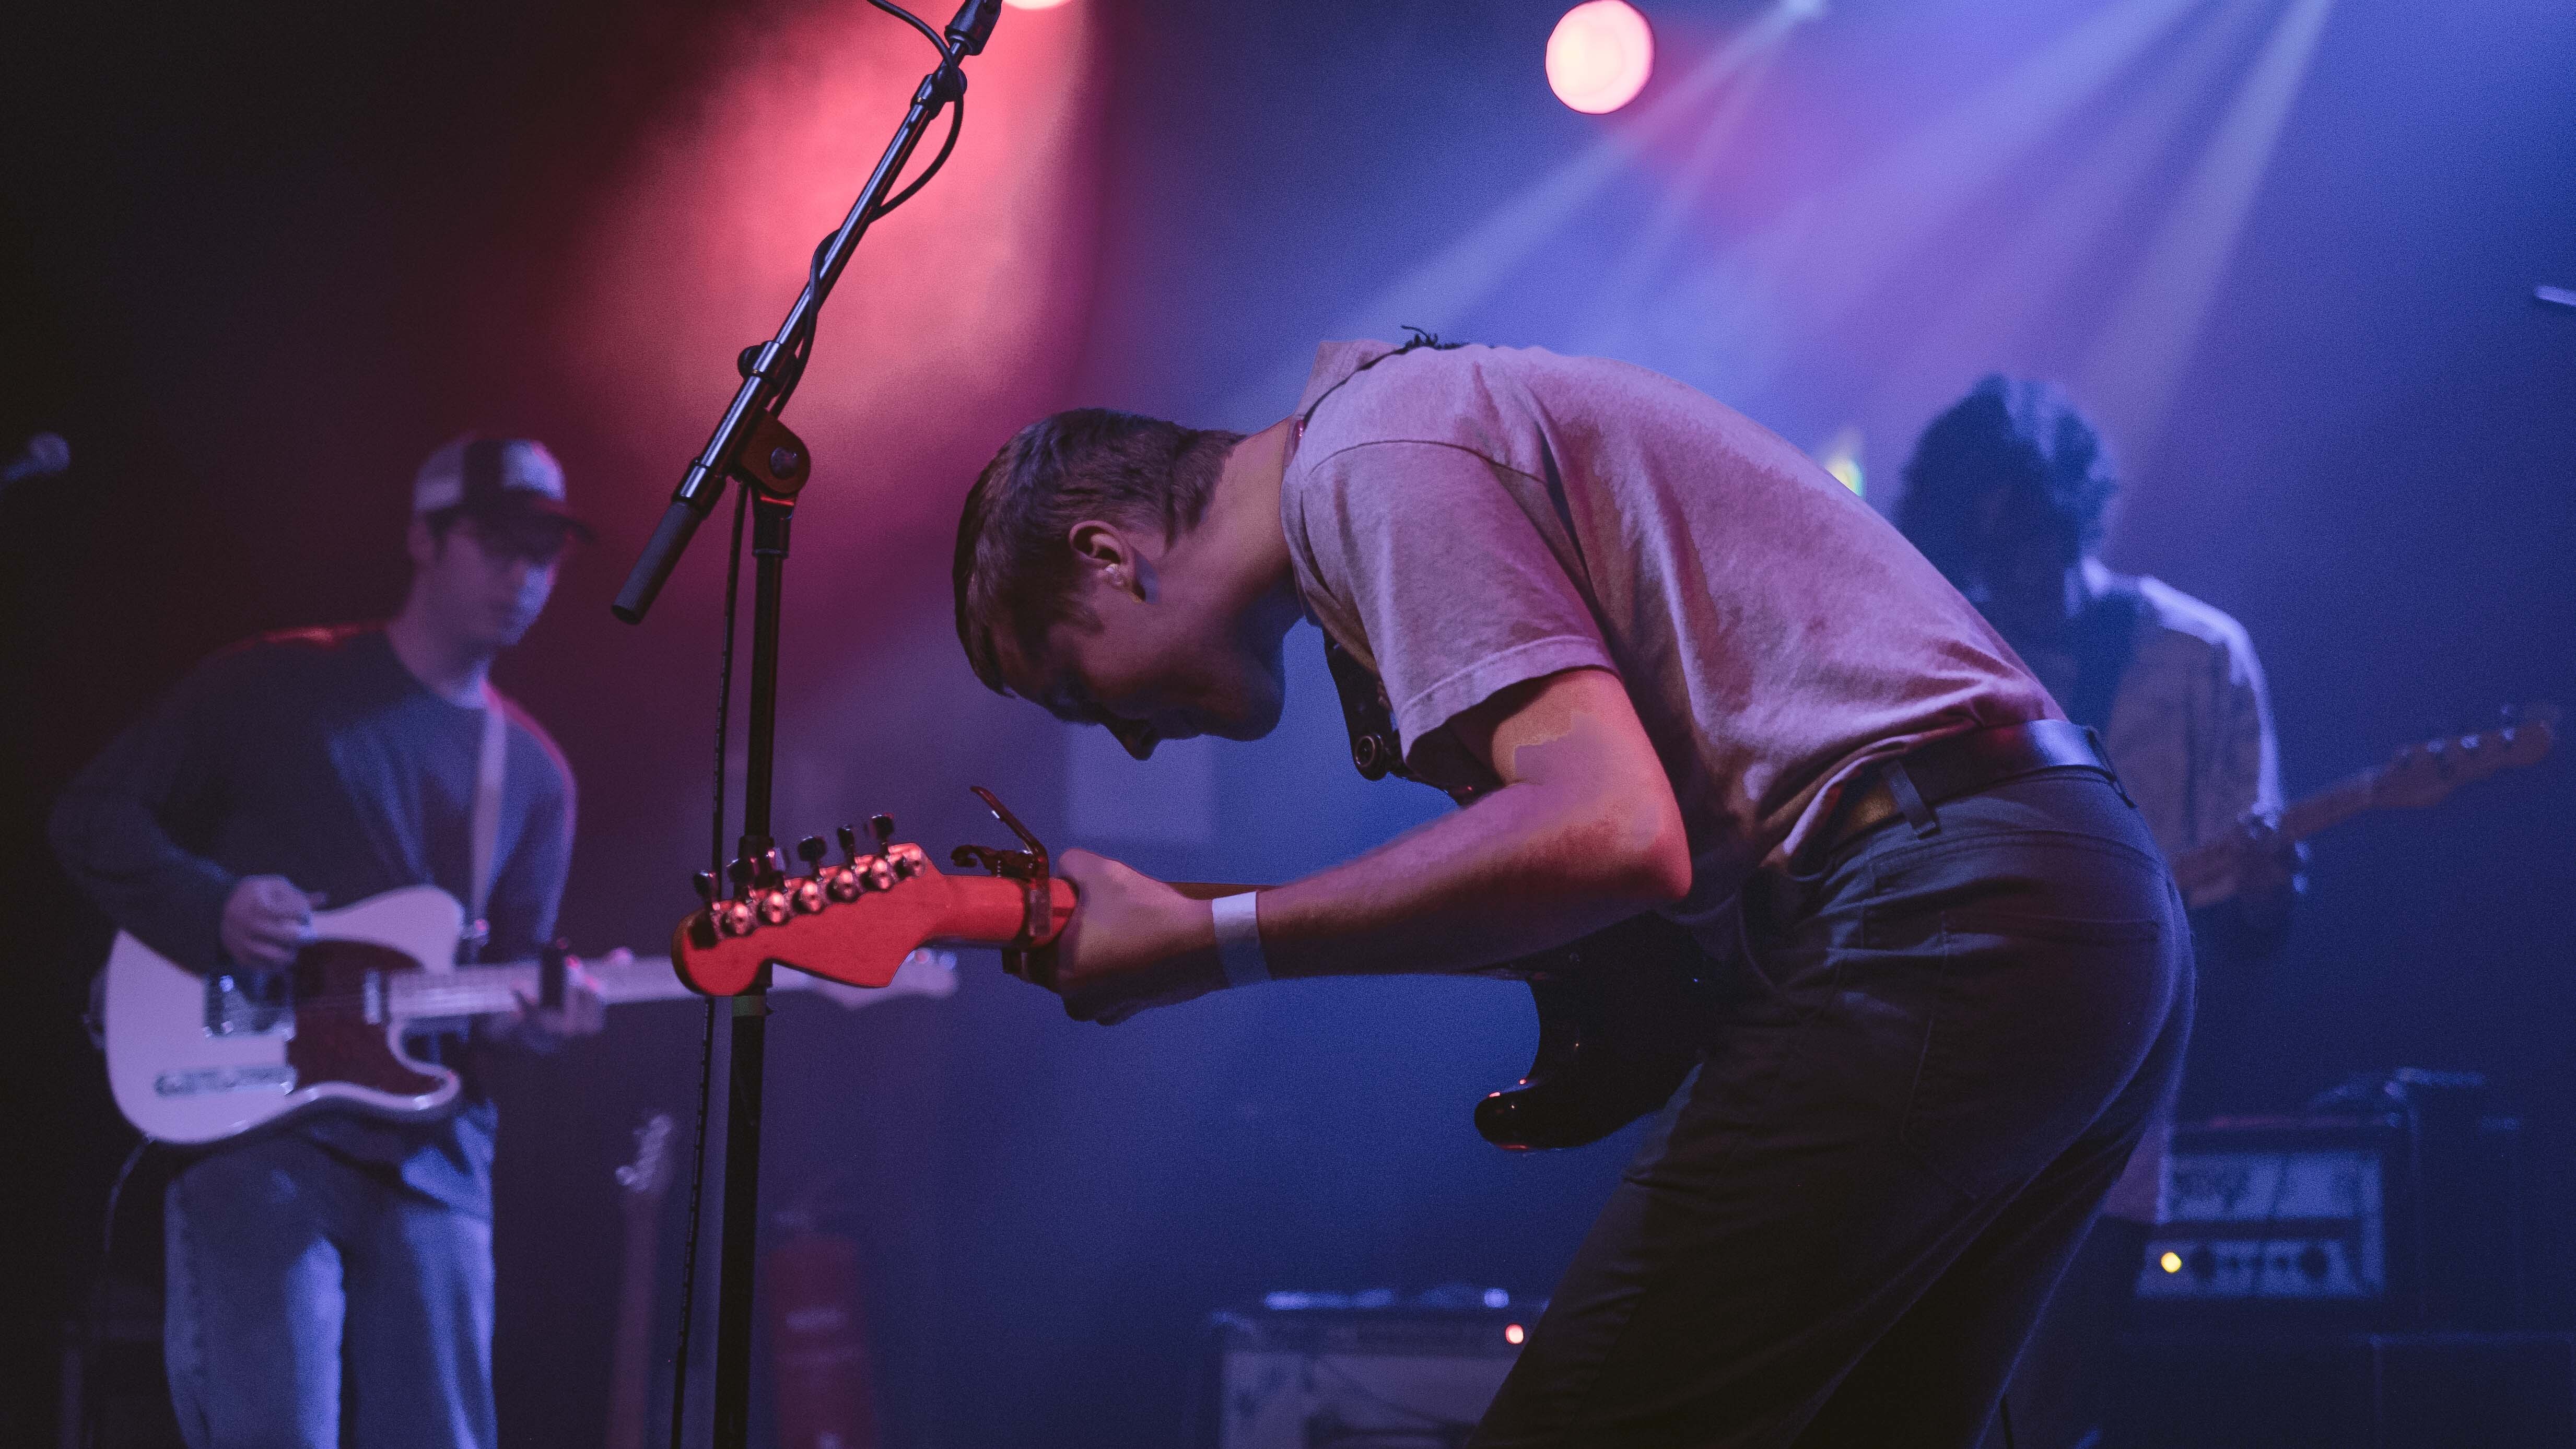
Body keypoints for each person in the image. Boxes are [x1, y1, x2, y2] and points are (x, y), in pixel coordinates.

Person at [949, 336, 2195, 1446]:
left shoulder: (1366, 464)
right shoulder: (1395, 444)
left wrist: (1212, 940)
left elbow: (1610, 833)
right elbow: (1599, 872)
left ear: (1107, 558)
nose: (1122, 738)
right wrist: (1193, 924)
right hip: (2067, 898)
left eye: (1076, 686)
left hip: (1942, 914)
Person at [50, 436, 604, 1449]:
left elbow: (505, 981)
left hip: (437, 1156)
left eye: (545, 551)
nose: (524, 573)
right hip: (256, 1130)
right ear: (424, 539)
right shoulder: (271, 686)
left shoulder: (533, 773)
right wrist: (209, 903)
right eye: (496, 541)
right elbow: (91, 816)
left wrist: (550, 1019)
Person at [1895, 374, 2300, 1449]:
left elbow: (2247, 914)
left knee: (2055, 1398)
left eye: (2019, 531)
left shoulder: (2201, 654)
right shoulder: (1937, 662)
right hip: (1934, 1080)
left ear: (2066, 508)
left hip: (2111, 1085)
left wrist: (2263, 900)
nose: (2003, 569)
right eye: (1976, 546)